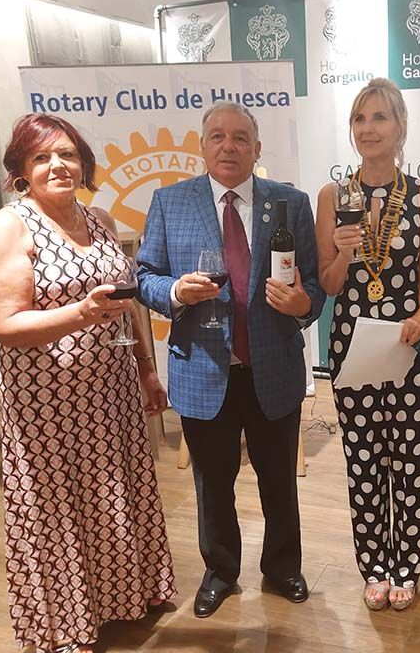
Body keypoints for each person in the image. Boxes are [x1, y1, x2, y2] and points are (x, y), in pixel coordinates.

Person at [0, 114, 176, 653]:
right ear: (21, 169)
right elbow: (7, 326)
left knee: (115, 493)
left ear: (83, 162)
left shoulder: (101, 218)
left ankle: (128, 594)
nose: (57, 165)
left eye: (65, 154)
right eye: (41, 157)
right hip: (48, 402)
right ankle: (67, 625)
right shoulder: (8, 226)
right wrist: (82, 314)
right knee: (58, 509)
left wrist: (146, 367)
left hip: (110, 390)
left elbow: (124, 299)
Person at [137, 101, 325, 619]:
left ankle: (283, 567)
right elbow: (145, 275)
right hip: (202, 369)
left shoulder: (290, 202)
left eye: (240, 138)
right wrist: (175, 289)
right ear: (202, 146)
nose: (228, 146)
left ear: (257, 150)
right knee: (212, 483)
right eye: (217, 136)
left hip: (274, 368)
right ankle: (221, 571)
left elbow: (313, 283)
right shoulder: (170, 202)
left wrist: (305, 305)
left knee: (278, 480)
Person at [315, 78, 420, 611]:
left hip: (409, 346)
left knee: (410, 462)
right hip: (352, 347)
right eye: (360, 119)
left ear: (401, 127)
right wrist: (343, 254)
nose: (369, 129)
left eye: (380, 118)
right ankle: (373, 566)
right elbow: (326, 283)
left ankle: (406, 568)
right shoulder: (332, 195)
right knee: (364, 460)